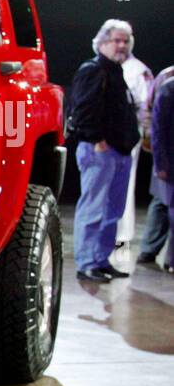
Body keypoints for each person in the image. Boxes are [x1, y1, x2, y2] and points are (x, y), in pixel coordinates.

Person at [68, 19, 141, 282]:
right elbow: (82, 110)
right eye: (117, 41)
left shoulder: (114, 71)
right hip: (100, 151)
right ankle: (87, 262)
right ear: (102, 43)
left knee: (112, 211)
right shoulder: (94, 70)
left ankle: (101, 260)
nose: (122, 46)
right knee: (94, 209)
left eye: (125, 41)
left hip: (118, 152)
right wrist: (97, 141)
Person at [115, 52, 154, 250]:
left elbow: (147, 106)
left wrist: (146, 134)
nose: (120, 46)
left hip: (129, 133)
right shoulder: (110, 67)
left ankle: (121, 232)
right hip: (114, 132)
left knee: (125, 182)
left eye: (124, 41)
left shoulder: (138, 70)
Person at [138, 64, 174, 266]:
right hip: (165, 149)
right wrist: (150, 140)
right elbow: (149, 110)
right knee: (163, 200)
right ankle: (149, 250)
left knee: (163, 202)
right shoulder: (167, 78)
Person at [148, 75, 174, 273]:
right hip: (168, 161)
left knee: (162, 205)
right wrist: (161, 164)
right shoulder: (168, 88)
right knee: (165, 206)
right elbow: (158, 129)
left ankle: (150, 251)